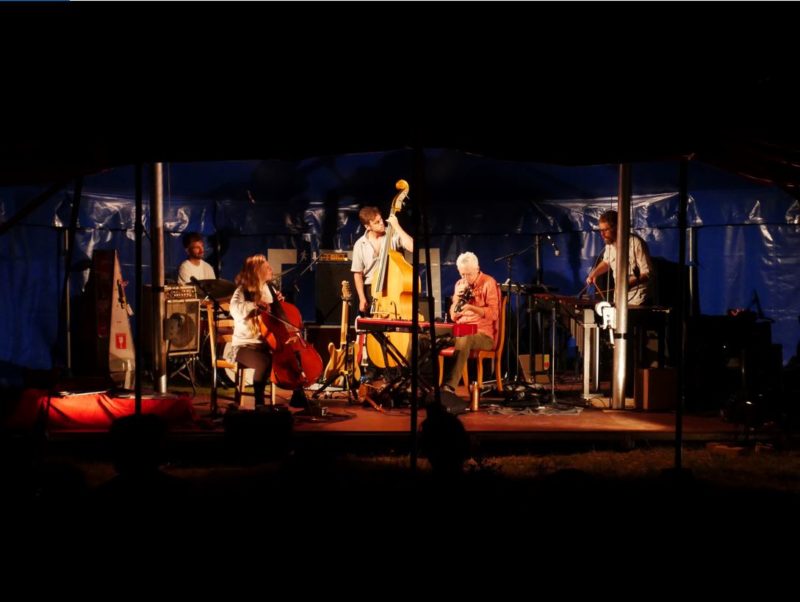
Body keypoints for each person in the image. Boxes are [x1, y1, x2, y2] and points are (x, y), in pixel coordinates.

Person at [227, 254, 283, 408]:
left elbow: (275, 319)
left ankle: (298, 395)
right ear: (257, 271)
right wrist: (254, 305)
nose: (271, 269)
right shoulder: (242, 291)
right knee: (264, 361)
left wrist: (278, 304)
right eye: (267, 267)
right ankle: (259, 404)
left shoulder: (270, 289)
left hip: (265, 345)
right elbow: (234, 309)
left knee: (291, 356)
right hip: (244, 347)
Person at [441, 252, 500, 394]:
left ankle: (448, 387)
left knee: (465, 338)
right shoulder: (460, 284)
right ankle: (409, 382)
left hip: (482, 335)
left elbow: (494, 314)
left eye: (469, 274)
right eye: (462, 274)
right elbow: (453, 316)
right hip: (460, 330)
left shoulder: (488, 282)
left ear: (477, 269)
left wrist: (471, 308)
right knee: (425, 337)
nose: (465, 278)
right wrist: (458, 300)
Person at [351, 205, 414, 315]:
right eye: (377, 222)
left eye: (381, 219)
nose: (381, 223)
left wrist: (397, 226)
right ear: (367, 226)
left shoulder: (392, 235)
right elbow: (358, 274)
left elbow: (413, 247)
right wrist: (362, 298)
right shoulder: (360, 244)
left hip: (392, 288)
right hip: (371, 290)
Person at [585, 210, 653, 305]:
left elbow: (647, 273)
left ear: (617, 228)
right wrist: (594, 273)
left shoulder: (636, 243)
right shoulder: (609, 244)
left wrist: (629, 283)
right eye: (601, 230)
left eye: (605, 230)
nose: (602, 234)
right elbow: (607, 262)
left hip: (638, 299)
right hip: (619, 298)